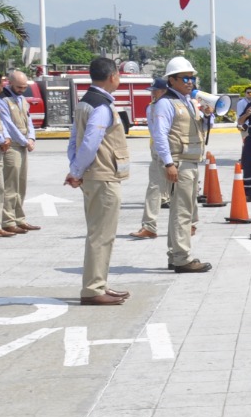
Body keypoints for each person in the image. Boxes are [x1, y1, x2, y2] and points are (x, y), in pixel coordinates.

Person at [65, 58, 131, 303]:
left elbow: (74, 140)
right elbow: (91, 142)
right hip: (103, 176)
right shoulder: (102, 106)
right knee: (101, 235)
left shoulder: (85, 102)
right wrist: (76, 172)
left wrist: (75, 169)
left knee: (99, 233)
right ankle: (93, 289)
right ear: (112, 76)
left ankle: (99, 284)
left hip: (93, 176)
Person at [148, 56, 213, 274]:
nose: (190, 82)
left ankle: (174, 254)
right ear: (172, 80)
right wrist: (168, 163)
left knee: (183, 210)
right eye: (185, 78)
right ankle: (182, 257)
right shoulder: (166, 103)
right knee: (183, 211)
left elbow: (197, 129)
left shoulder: (187, 102)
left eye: (192, 78)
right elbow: (160, 135)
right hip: (179, 162)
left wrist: (206, 116)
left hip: (190, 162)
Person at [131, 78, 173, 241]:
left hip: (174, 151)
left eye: (156, 90)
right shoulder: (151, 108)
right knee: (154, 187)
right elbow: (155, 132)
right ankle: (149, 226)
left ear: (164, 91)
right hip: (159, 150)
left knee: (180, 190)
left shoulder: (175, 105)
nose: (153, 93)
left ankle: (189, 223)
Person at [0, 71, 39, 235]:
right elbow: (8, 124)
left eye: (24, 87)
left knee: (21, 184)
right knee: (10, 184)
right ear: (9, 83)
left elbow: (28, 120)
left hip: (23, 144)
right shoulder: (3, 101)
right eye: (19, 87)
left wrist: (32, 138)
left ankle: (19, 218)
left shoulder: (21, 99)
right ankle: (8, 221)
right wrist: (24, 141)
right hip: (12, 145)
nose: (22, 90)